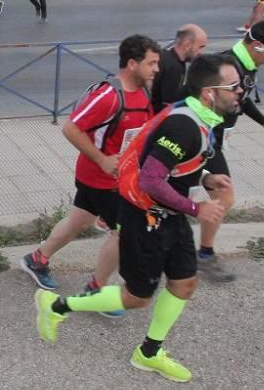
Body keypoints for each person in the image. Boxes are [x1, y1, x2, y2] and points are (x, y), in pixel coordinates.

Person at [35, 54, 236, 384]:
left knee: (184, 282)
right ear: (209, 93)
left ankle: (149, 352)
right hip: (145, 217)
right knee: (137, 297)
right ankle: (56, 306)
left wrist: (205, 181)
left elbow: (171, 169)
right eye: (232, 86)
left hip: (169, 215)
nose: (239, 91)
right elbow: (150, 181)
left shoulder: (199, 116)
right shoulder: (184, 125)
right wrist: (199, 209)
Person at [20, 35, 161, 306]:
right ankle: (95, 290)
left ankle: (37, 260)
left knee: (79, 220)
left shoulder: (145, 92)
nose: (156, 69)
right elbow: (70, 128)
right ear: (132, 64)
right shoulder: (108, 96)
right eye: (151, 63)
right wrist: (102, 159)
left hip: (119, 179)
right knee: (123, 233)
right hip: (101, 179)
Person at [198, 20, 264, 282]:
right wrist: (204, 142)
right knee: (224, 196)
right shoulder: (224, 67)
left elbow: (242, 98)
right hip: (205, 138)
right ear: (258, 45)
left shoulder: (244, 65)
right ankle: (202, 255)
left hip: (214, 137)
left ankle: (195, 249)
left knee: (213, 195)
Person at [151, 25, 208, 112]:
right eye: (200, 47)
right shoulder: (174, 68)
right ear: (187, 45)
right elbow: (169, 105)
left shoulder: (165, 56)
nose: (201, 52)